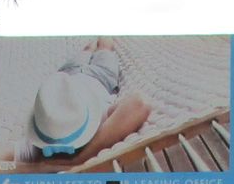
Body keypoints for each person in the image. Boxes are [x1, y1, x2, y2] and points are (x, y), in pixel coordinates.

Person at [22, 39, 150, 164]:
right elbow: (139, 104)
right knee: (105, 46)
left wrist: (48, 166)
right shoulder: (98, 119)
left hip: (67, 75)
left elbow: (3, 159)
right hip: (100, 75)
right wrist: (79, 159)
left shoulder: (47, 121)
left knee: (87, 49)